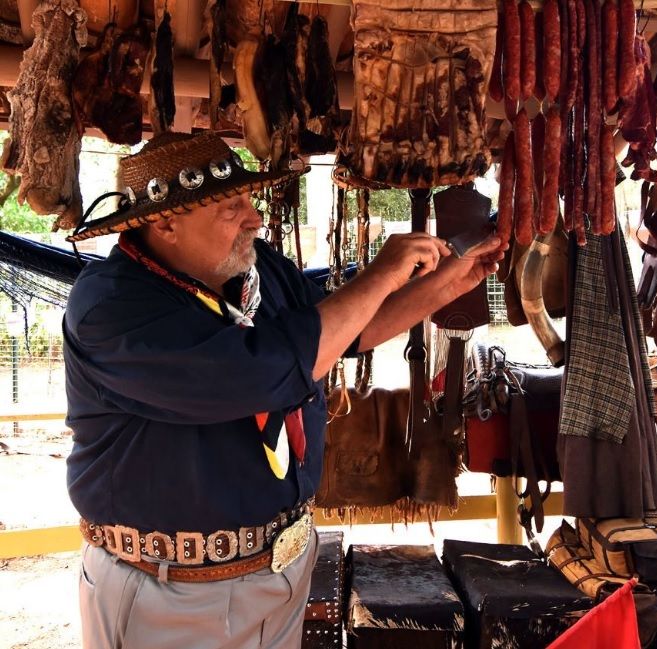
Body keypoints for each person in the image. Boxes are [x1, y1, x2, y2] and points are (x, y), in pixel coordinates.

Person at [63, 132, 504, 648]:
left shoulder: (256, 269)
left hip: (281, 572)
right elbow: (263, 373)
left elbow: (344, 330)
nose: (254, 217)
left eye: (249, 200)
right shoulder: (112, 309)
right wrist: (382, 273)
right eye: (232, 206)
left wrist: (446, 284)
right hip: (170, 591)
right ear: (166, 223)